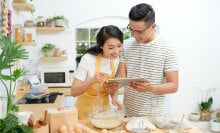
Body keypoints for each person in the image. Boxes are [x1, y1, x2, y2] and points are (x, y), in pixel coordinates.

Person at [106, 3, 179, 117]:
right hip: (128, 114)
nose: (134, 35)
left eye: (139, 31)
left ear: (153, 26)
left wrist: (151, 88)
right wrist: (113, 89)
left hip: (153, 116)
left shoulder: (167, 48)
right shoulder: (127, 45)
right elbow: (121, 77)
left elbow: (173, 86)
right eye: (131, 29)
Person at [71, 25, 124, 119]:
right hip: (85, 112)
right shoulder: (88, 59)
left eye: (119, 46)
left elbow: (111, 86)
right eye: (111, 48)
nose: (116, 51)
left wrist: (114, 97)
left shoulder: (116, 59)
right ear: (101, 46)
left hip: (104, 111)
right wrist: (92, 80)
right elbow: (74, 92)